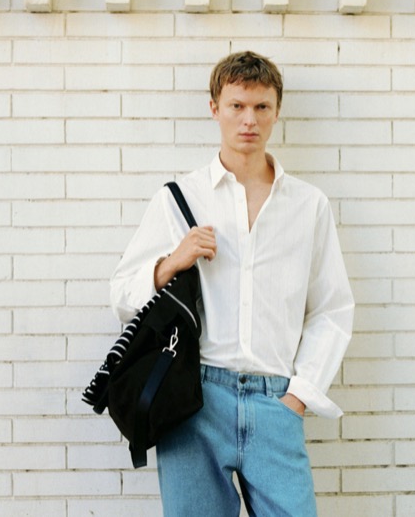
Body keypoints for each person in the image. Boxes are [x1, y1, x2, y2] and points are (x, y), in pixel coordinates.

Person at [109, 51, 355, 517]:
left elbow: (332, 309)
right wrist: (171, 261)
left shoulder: (309, 205)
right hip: (196, 402)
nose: (249, 120)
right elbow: (122, 295)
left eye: (261, 107)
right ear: (214, 108)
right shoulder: (179, 198)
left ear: (277, 111)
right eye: (237, 105)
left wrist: (297, 397)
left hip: (276, 403)